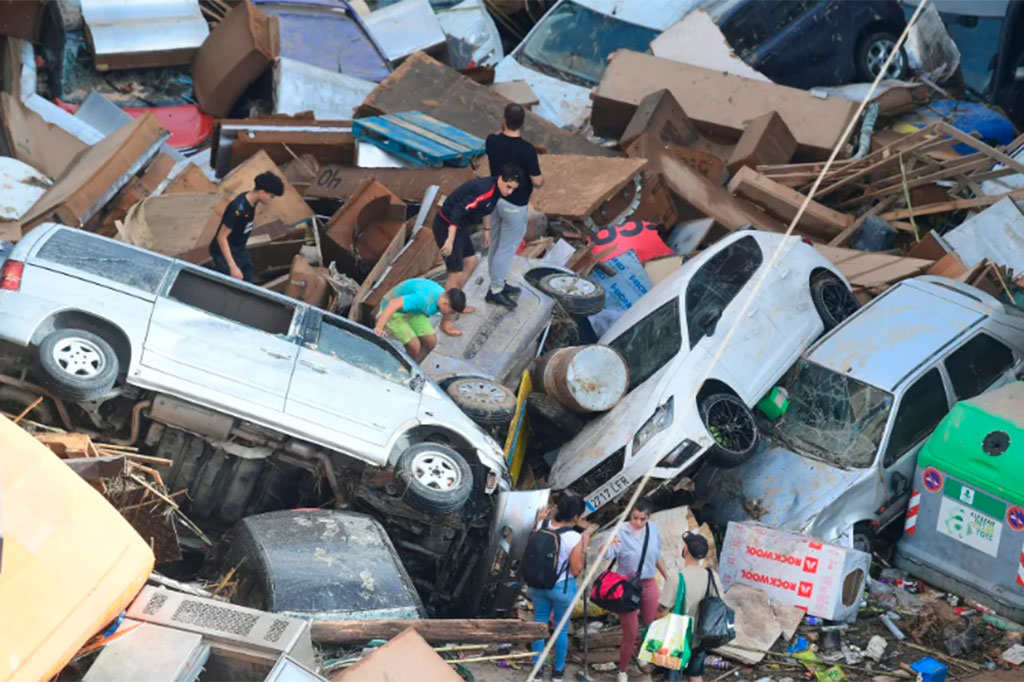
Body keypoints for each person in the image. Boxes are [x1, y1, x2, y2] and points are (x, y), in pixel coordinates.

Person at [432, 164, 523, 335]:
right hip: (447, 225)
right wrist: (450, 240)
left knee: (471, 262)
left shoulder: (497, 191)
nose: (510, 192)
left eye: (513, 189)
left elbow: (486, 209)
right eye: (508, 187)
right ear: (500, 179)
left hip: (460, 228)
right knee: (455, 273)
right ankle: (446, 320)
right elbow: (458, 211)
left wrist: (486, 231)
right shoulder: (484, 190)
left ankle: (457, 303)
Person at [484, 103, 544, 308]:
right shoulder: (527, 150)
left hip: (495, 199)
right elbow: (537, 181)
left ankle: (496, 282)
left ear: (503, 120)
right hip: (514, 205)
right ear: (523, 123)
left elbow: (497, 136)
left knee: (495, 243)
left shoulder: (491, 141)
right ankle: (496, 289)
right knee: (506, 248)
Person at [606, 499, 670, 682]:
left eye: (642, 519)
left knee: (652, 626)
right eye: (635, 518)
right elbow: (608, 554)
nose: (638, 523)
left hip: (649, 583)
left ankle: (642, 654)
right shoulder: (621, 530)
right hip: (626, 586)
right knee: (631, 632)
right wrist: (608, 544)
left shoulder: (653, 529)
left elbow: (656, 555)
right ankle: (623, 670)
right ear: (630, 516)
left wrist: (667, 576)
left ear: (648, 517)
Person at [529, 493, 590, 682]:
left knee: (539, 624)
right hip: (561, 588)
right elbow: (577, 569)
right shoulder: (573, 537)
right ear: (577, 517)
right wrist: (585, 547)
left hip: (537, 585)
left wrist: (538, 520)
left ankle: (537, 671)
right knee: (561, 629)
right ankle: (557, 672)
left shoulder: (542, 526)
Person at [656, 532, 725, 682]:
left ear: (685, 550)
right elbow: (720, 602)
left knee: (671, 676)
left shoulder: (677, 577)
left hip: (677, 637)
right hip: (701, 635)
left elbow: (662, 609)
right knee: (694, 674)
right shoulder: (711, 575)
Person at [209, 171, 284, 282]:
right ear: (262, 192)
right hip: (224, 252)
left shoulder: (251, 201)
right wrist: (232, 267)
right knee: (233, 282)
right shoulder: (238, 209)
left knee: (248, 277)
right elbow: (221, 237)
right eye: (271, 196)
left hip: (238, 250)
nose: (271, 199)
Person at [373, 278, 466, 362]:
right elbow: (393, 304)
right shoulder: (424, 300)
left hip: (414, 311)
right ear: (445, 303)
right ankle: (402, 368)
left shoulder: (441, 296)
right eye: (451, 312)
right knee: (414, 347)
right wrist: (379, 327)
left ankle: (415, 364)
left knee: (431, 342)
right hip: (394, 311)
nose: (449, 314)